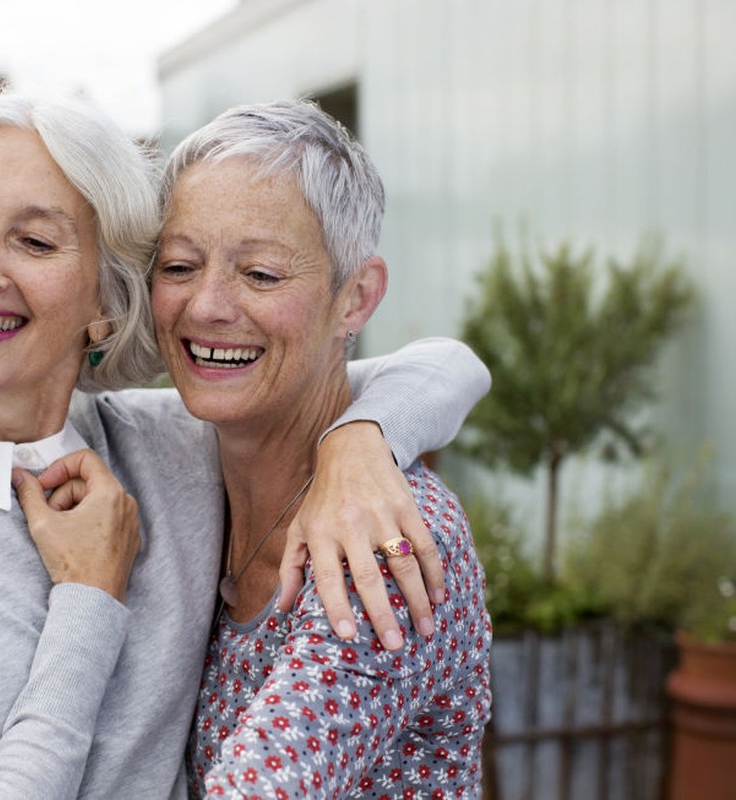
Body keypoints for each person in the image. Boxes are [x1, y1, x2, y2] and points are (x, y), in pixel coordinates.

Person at [0, 91, 489, 799]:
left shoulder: (165, 446)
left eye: (35, 243)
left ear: (109, 301)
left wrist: (360, 441)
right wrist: (88, 604)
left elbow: (440, 367)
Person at [147, 100, 492, 797]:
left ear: (355, 299)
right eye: (179, 266)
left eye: (261, 275)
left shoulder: (389, 548)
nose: (207, 305)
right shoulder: (176, 467)